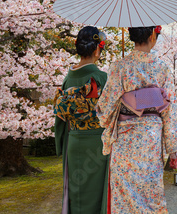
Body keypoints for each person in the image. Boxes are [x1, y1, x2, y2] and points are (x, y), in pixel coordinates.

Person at [97, 25, 177, 214]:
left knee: (124, 195)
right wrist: (173, 150)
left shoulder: (119, 66)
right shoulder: (162, 68)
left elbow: (105, 107)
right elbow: (170, 110)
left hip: (125, 139)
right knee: (150, 193)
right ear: (153, 35)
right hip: (150, 140)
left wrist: (123, 101)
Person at [54, 26, 109, 214]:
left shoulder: (68, 79)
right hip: (98, 143)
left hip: (74, 139)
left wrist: (60, 142)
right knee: (98, 194)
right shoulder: (103, 78)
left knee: (75, 193)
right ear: (97, 50)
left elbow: (60, 116)